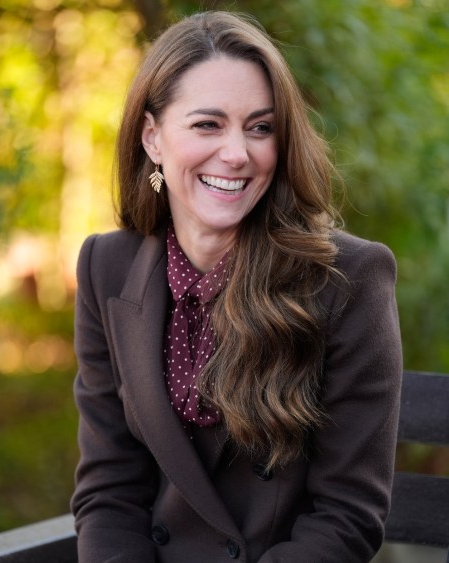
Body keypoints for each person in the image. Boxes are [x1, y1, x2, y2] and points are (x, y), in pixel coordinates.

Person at [71, 11, 402, 562]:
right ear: (153, 137)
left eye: (259, 127)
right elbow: (109, 490)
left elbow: (347, 516)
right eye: (207, 124)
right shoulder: (107, 266)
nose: (236, 153)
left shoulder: (348, 278)